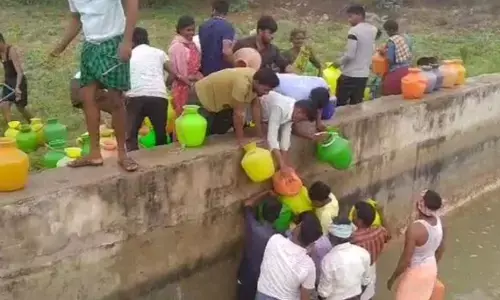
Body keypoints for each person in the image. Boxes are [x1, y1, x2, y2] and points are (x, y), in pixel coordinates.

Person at [51, 0, 139, 171]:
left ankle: (122, 154)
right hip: (90, 46)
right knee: (87, 98)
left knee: (115, 100)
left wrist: (127, 41)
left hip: (114, 43)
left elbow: (132, 5)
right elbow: (77, 18)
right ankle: (94, 153)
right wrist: (61, 46)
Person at [192, 67, 279, 147]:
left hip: (218, 99)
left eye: (269, 90)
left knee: (220, 128)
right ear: (256, 82)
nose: (266, 93)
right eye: (265, 90)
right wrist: (241, 140)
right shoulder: (242, 84)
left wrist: (259, 134)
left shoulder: (256, 79)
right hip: (201, 95)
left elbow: (256, 107)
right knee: (198, 133)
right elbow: (238, 113)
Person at [387, 190, 446, 300]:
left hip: (416, 272)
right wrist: (430, 267)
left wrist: (393, 278)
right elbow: (441, 249)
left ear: (419, 206)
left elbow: (405, 260)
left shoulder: (415, 229)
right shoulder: (439, 222)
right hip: (431, 268)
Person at [256, 211, 323, 300]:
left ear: (298, 227)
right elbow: (305, 297)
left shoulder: (275, 240)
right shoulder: (309, 266)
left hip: (262, 295)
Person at [125, 27, 171, 151]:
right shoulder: (159, 52)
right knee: (160, 133)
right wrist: (166, 84)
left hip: (135, 96)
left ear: (132, 42)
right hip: (159, 96)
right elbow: (174, 73)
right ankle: (163, 160)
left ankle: (132, 160)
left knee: (131, 135)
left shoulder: (128, 54)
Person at [237, 190, 285, 300]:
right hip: (264, 279)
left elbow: (247, 203)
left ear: (261, 211)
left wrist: (265, 193)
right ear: (278, 216)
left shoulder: (253, 227)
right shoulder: (279, 237)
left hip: (247, 273)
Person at [260, 91, 317, 172]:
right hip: (253, 112)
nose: (298, 122)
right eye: (301, 119)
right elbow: (272, 137)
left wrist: (285, 163)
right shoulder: (279, 107)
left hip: (267, 117)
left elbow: (285, 138)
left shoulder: (293, 110)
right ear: (299, 111)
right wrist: (281, 164)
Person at [318, 217, 371, 300]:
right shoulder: (363, 253)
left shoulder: (328, 260)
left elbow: (323, 293)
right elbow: (366, 281)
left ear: (333, 237)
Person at [335, 5, 378, 106]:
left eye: (350, 16)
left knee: (340, 106)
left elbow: (350, 55)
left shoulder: (353, 31)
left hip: (350, 74)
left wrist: (338, 63)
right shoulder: (373, 29)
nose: (349, 20)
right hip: (363, 75)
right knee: (357, 105)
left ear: (359, 15)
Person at [351, 201, 391, 300]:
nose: (351, 215)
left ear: (359, 221)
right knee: (368, 293)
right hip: (371, 267)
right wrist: (381, 213)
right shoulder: (379, 231)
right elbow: (389, 234)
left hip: (358, 273)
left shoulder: (354, 238)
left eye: (354, 214)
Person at [168, 15, 203, 117]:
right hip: (182, 87)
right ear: (180, 30)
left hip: (194, 86)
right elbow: (179, 74)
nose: (191, 33)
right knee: (182, 117)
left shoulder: (192, 45)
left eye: (193, 30)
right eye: (188, 30)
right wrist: (194, 78)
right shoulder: (177, 47)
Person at [0, 33, 33, 123]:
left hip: (18, 80)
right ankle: (11, 126)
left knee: (20, 107)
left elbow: (19, 72)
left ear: (1, 41)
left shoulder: (11, 50)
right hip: (8, 81)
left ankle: (33, 123)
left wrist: (18, 87)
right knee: (3, 104)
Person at [198, 0, 235, 76]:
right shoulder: (227, 27)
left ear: (214, 10)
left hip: (205, 69)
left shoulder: (203, 26)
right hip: (221, 72)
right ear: (226, 12)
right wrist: (235, 64)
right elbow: (226, 52)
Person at [379, 20, 412, 96]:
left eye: (387, 31)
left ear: (391, 30)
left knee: (388, 95)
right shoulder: (403, 38)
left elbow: (390, 60)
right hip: (407, 70)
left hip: (396, 72)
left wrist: (383, 53)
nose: (387, 33)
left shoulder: (391, 41)